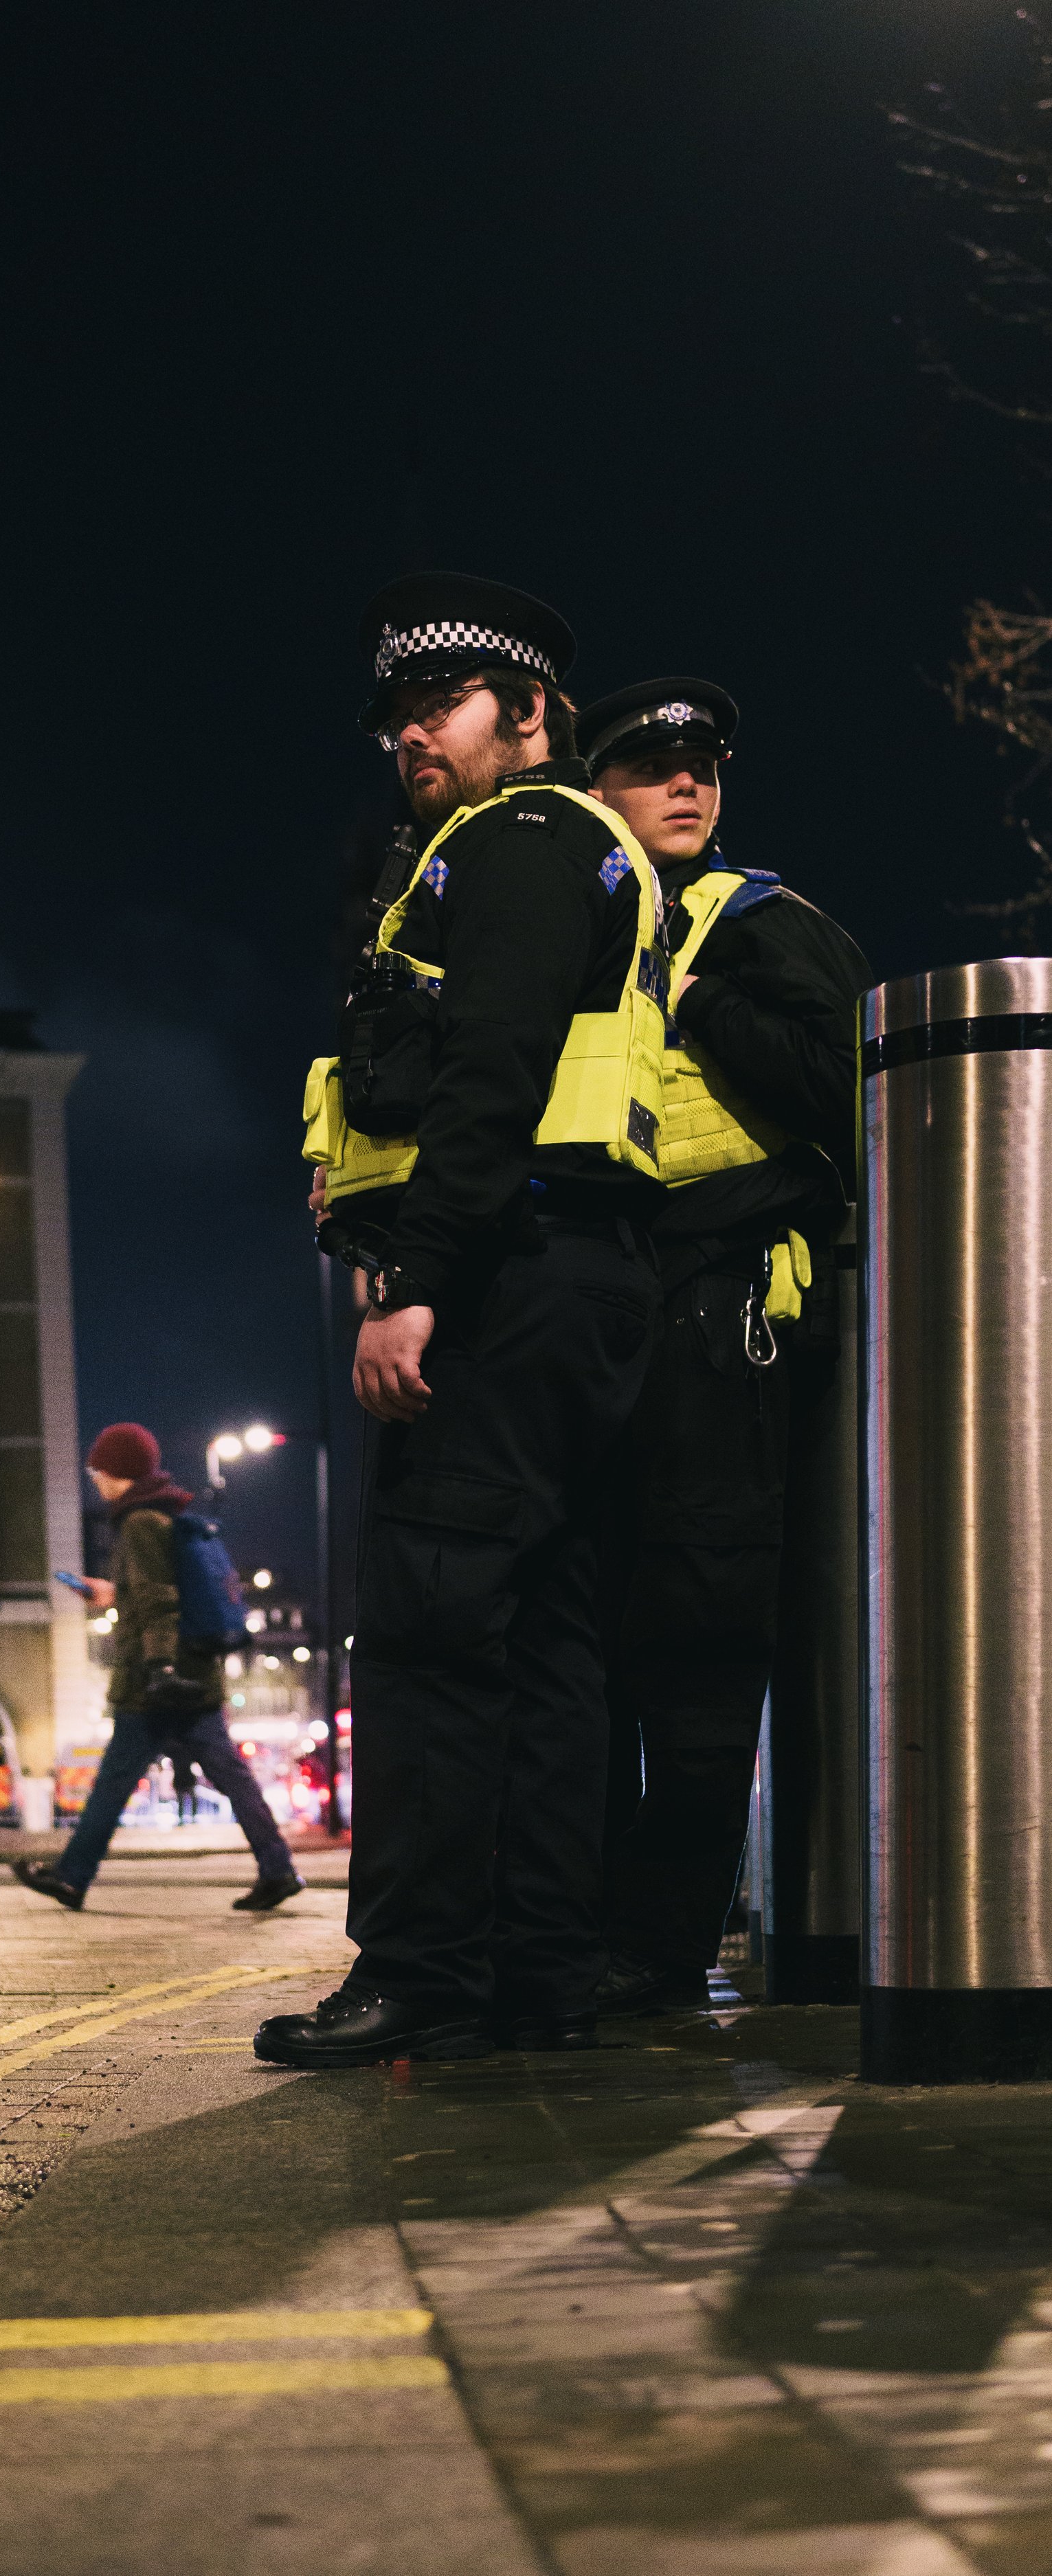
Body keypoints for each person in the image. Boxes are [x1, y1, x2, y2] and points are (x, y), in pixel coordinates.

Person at [257, 574, 664, 2070]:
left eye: (439, 705)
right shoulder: (571, 853)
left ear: (530, 712)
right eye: (395, 717)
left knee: (430, 1632)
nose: (409, 736)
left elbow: (489, 1076)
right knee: (548, 1640)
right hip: (574, 1283)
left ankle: (421, 1970)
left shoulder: (510, 845)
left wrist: (413, 1281)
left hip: (500, 1281)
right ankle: (536, 1973)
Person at [578, 679, 871, 2013]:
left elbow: (842, 1098)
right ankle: (591, 1935)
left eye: (701, 764)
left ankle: (655, 1949)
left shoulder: (764, 929)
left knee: (698, 1637)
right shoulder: (585, 929)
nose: (684, 782)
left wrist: (701, 1004)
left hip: (725, 1322)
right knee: (598, 1641)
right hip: (609, 1325)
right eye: (649, 764)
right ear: (599, 789)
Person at [13, 1423, 304, 1912]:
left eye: (100, 1470)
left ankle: (72, 1876)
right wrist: (111, 1593)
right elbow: (154, 1593)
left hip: (155, 1684)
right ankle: (278, 1868)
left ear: (119, 1471)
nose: (96, 1480)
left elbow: (159, 1602)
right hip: (194, 1676)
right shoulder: (163, 1518)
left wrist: (160, 1666)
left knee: (113, 1783)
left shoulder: (140, 1523)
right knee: (231, 1776)